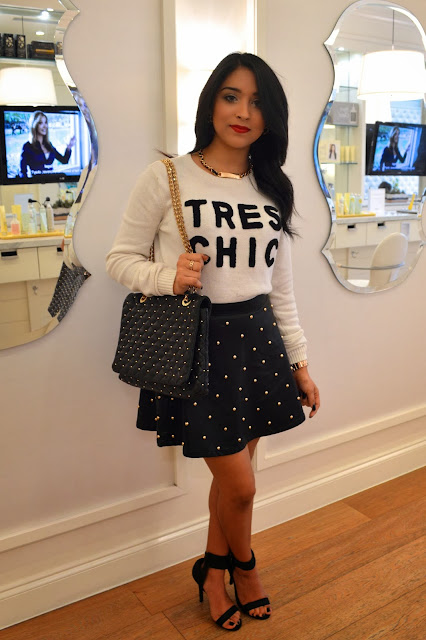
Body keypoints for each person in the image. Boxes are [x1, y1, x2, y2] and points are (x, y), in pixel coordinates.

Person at [106, 52, 320, 632]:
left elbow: (280, 287)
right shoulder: (167, 177)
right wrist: (166, 276)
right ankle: (244, 568)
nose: (243, 112)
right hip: (199, 343)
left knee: (233, 483)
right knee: (241, 487)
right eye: (231, 96)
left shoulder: (272, 187)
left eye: (257, 102)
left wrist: (299, 362)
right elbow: (119, 258)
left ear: (271, 117)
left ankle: (213, 574)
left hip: (259, 341)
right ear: (210, 103)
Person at [19, 110, 75, 178]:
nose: (44, 126)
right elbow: (22, 173)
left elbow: (64, 160)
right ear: (34, 125)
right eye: (40, 123)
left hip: (51, 181)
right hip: (36, 182)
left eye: (45, 122)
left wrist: (69, 147)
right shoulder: (27, 147)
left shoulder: (49, 145)